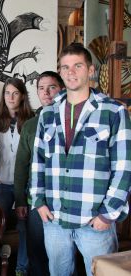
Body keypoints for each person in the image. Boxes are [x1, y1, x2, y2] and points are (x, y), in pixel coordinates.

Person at [30, 43, 131, 276]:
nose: (70, 72)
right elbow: (38, 161)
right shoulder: (48, 113)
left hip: (95, 221)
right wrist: (39, 201)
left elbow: (124, 167)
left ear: (91, 70)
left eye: (77, 65)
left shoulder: (113, 111)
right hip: (55, 217)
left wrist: (108, 214)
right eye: (65, 67)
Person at [13, 71, 64, 276]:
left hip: (65, 197)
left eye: (51, 87)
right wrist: (20, 200)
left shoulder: (70, 119)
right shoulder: (31, 125)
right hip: (37, 197)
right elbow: (21, 165)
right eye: (41, 88)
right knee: (36, 249)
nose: (47, 93)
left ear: (61, 89)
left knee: (63, 253)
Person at [0, 77, 34, 276]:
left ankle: (21, 269)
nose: (11, 97)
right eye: (7, 93)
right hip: (2, 183)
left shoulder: (32, 119)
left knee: (25, 228)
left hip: (24, 185)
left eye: (15, 93)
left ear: (22, 95)